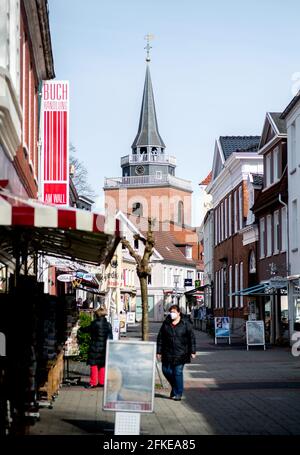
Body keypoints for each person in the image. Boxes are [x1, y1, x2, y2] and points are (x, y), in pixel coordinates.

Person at [157, 304, 196, 401]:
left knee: (177, 372)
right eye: (171, 312)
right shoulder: (166, 323)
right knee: (166, 371)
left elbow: (192, 338)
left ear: (179, 313)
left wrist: (193, 351)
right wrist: (159, 351)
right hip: (167, 352)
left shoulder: (185, 323)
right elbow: (160, 338)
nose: (172, 314)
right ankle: (175, 388)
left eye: (174, 312)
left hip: (181, 353)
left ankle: (178, 393)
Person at [79, 305, 112, 389]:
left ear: (97, 315)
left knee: (94, 365)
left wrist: (80, 328)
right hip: (104, 348)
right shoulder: (108, 325)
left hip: (95, 347)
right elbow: (110, 336)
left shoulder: (95, 323)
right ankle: (102, 382)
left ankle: (93, 382)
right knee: (102, 365)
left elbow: (87, 329)